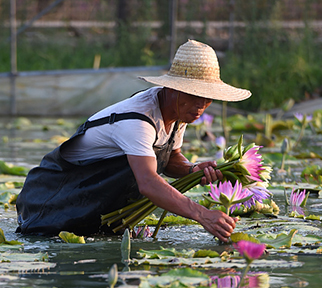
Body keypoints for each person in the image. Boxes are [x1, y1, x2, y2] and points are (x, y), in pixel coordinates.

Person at [15, 39, 251, 243]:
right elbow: (148, 182)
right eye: (194, 95)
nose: (201, 105)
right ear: (173, 89)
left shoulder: (178, 113)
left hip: (90, 209)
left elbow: (169, 159)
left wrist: (192, 170)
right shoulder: (138, 120)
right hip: (52, 204)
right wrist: (202, 214)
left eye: (207, 98)